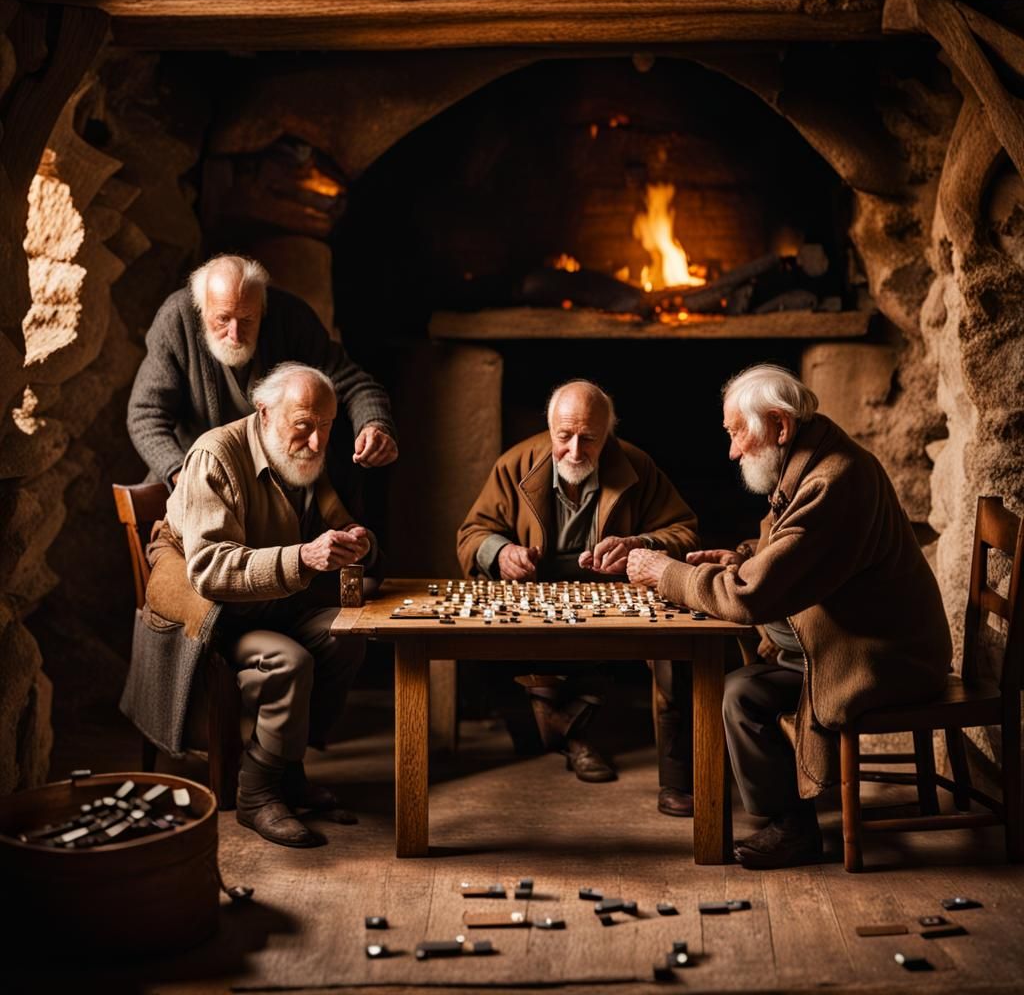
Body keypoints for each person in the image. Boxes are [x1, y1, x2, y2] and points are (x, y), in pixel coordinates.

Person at [627, 364, 952, 868]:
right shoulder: (811, 457)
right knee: (738, 686)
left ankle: (792, 829)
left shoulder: (834, 480)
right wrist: (741, 558)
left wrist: (664, 572)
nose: (732, 451)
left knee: (740, 694)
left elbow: (750, 599)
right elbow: (787, 552)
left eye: (738, 433)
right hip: (844, 643)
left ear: (780, 425)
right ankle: (784, 814)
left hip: (883, 659)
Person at [121, 362, 376, 847]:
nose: (317, 441)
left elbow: (338, 521)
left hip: (270, 600)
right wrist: (303, 557)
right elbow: (210, 570)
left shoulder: (301, 455)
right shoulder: (214, 455)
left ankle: (286, 767)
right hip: (213, 606)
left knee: (347, 636)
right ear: (264, 412)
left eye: (326, 426)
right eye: (304, 425)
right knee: (289, 660)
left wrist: (357, 541)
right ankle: (256, 793)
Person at [457, 380, 700, 816]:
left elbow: (684, 531)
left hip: (614, 594)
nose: (574, 451)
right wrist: (501, 552)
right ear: (549, 428)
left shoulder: (636, 464)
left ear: (608, 433)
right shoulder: (515, 464)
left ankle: (677, 779)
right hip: (536, 591)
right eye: (564, 436)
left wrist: (640, 544)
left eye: (588, 438)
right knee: (474, 640)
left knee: (677, 649)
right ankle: (567, 729)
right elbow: (472, 533)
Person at [127, 254, 397, 506]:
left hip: (281, 492)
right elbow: (144, 415)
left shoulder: (291, 318)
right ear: (201, 309)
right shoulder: (176, 318)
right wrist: (183, 475)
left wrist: (374, 424)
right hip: (201, 490)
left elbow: (354, 384)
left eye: (247, 319)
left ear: (262, 309)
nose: (235, 334)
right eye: (223, 319)